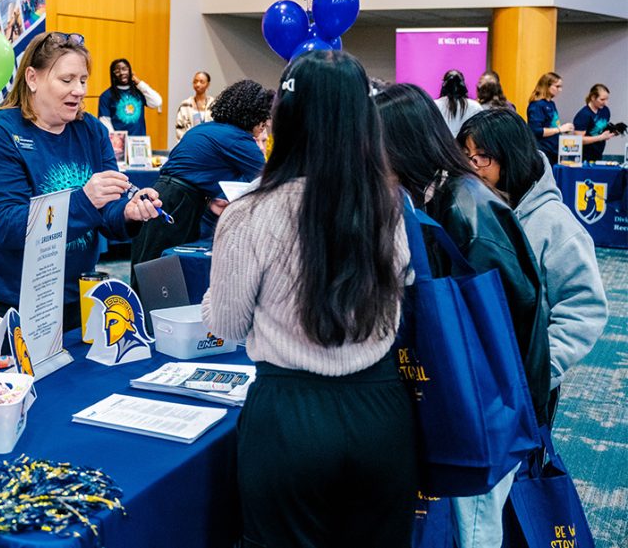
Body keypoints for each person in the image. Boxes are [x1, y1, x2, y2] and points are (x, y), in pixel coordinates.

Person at [203, 51, 417, 547]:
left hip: (288, 421)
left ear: (283, 120)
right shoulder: (389, 203)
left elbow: (226, 325)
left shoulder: (249, 212)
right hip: (381, 413)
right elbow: (403, 287)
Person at [375, 84, 550, 548]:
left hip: (482, 408)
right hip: (465, 401)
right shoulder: (434, 198)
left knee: (473, 527)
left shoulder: (465, 205)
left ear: (401, 145)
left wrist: (503, 406)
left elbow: (510, 316)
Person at [0, 32, 161, 331]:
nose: (79, 91)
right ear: (32, 78)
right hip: (6, 297)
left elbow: (106, 212)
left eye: (83, 80)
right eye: (67, 80)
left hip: (72, 294)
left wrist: (127, 212)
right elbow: (8, 227)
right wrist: (85, 200)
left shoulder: (91, 131)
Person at [457, 109, 608, 422]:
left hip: (526, 386)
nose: (473, 166)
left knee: (524, 450)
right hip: (475, 374)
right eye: (466, 156)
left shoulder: (556, 225)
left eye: (483, 156)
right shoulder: (471, 209)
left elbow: (584, 308)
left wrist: (538, 370)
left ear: (510, 157)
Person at [129, 79, 273, 276]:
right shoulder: (239, 140)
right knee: (163, 275)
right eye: (264, 119)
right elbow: (269, 180)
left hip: (162, 194)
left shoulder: (206, 128)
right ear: (254, 115)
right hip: (180, 203)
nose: (265, 125)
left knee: (147, 266)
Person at [97, 58, 162, 136]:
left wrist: (139, 83)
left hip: (139, 141)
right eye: (117, 71)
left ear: (130, 71)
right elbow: (105, 122)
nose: (121, 73)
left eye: (124, 69)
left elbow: (157, 102)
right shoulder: (106, 96)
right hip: (119, 141)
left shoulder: (139, 91)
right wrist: (116, 140)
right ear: (113, 75)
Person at [527, 72, 576, 165]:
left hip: (553, 149)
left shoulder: (551, 103)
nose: (560, 90)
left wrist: (563, 130)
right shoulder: (537, 105)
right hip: (543, 150)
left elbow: (551, 125)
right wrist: (559, 129)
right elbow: (536, 130)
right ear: (547, 85)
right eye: (557, 86)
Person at [573, 83, 616, 162]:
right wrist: (600, 137)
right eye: (602, 100)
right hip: (584, 157)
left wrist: (613, 131)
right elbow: (578, 140)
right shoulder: (584, 115)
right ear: (593, 97)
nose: (605, 103)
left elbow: (602, 129)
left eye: (607, 99)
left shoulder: (605, 110)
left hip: (598, 153)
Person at [435, 69, 483, 136]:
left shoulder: (435, 105)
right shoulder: (475, 107)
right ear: (463, 86)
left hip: (441, 142)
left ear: (444, 86)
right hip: (466, 142)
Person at [174, 71, 214, 141]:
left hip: (210, 143)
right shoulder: (185, 105)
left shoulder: (214, 104)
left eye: (201, 82)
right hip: (190, 143)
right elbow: (179, 128)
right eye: (195, 81)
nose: (198, 84)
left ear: (208, 84)